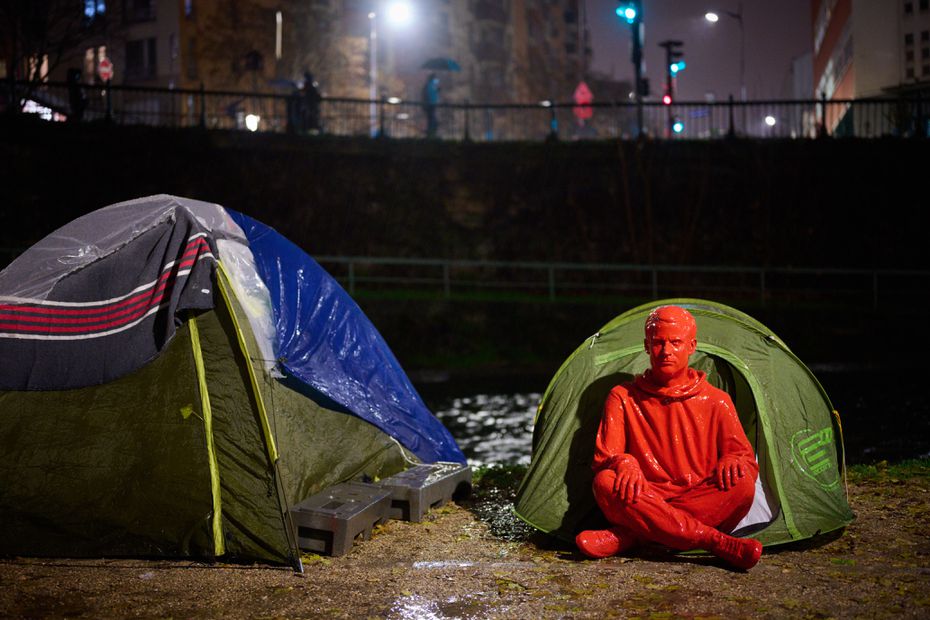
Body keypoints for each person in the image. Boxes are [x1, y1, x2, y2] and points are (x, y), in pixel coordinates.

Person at [576, 305, 763, 570]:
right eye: (658, 343)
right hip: (645, 496)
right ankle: (713, 540)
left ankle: (634, 535)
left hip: (691, 496)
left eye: (675, 342)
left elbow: (745, 460)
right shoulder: (623, 397)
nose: (666, 352)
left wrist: (734, 460)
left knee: (742, 484)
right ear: (646, 345)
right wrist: (624, 462)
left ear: (692, 346)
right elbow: (605, 457)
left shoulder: (717, 401)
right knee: (605, 482)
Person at [421, 72, 440, 138]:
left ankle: (430, 134)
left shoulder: (430, 85)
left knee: (432, 120)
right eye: (436, 79)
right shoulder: (430, 85)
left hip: (431, 105)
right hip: (430, 105)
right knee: (432, 121)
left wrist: (437, 91)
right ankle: (430, 134)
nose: (437, 80)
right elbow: (431, 95)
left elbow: (432, 94)